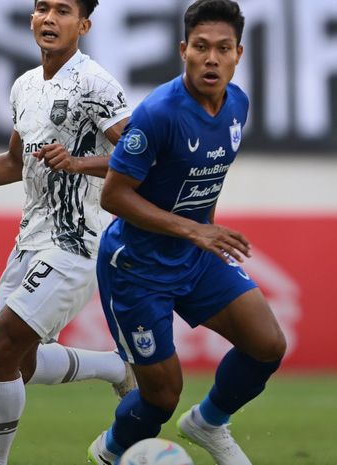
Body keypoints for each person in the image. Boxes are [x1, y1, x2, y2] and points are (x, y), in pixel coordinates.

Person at [0, 1, 135, 464]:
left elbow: (140, 156)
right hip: (30, 240)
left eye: (63, 10)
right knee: (20, 364)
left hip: (77, 242)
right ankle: (115, 366)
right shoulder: (24, 86)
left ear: (84, 25)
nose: (49, 18)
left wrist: (79, 162)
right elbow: (14, 164)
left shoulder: (95, 83)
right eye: (41, 8)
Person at [86, 1, 286, 465]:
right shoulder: (158, 112)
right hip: (136, 266)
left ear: (238, 53)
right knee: (161, 396)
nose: (211, 59)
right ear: (183, 50)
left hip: (195, 257)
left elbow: (204, 180)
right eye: (200, 48)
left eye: (222, 49)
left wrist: (203, 232)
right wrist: (194, 230)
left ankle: (209, 422)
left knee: (267, 345)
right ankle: (111, 452)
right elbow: (113, 196)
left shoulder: (238, 104)